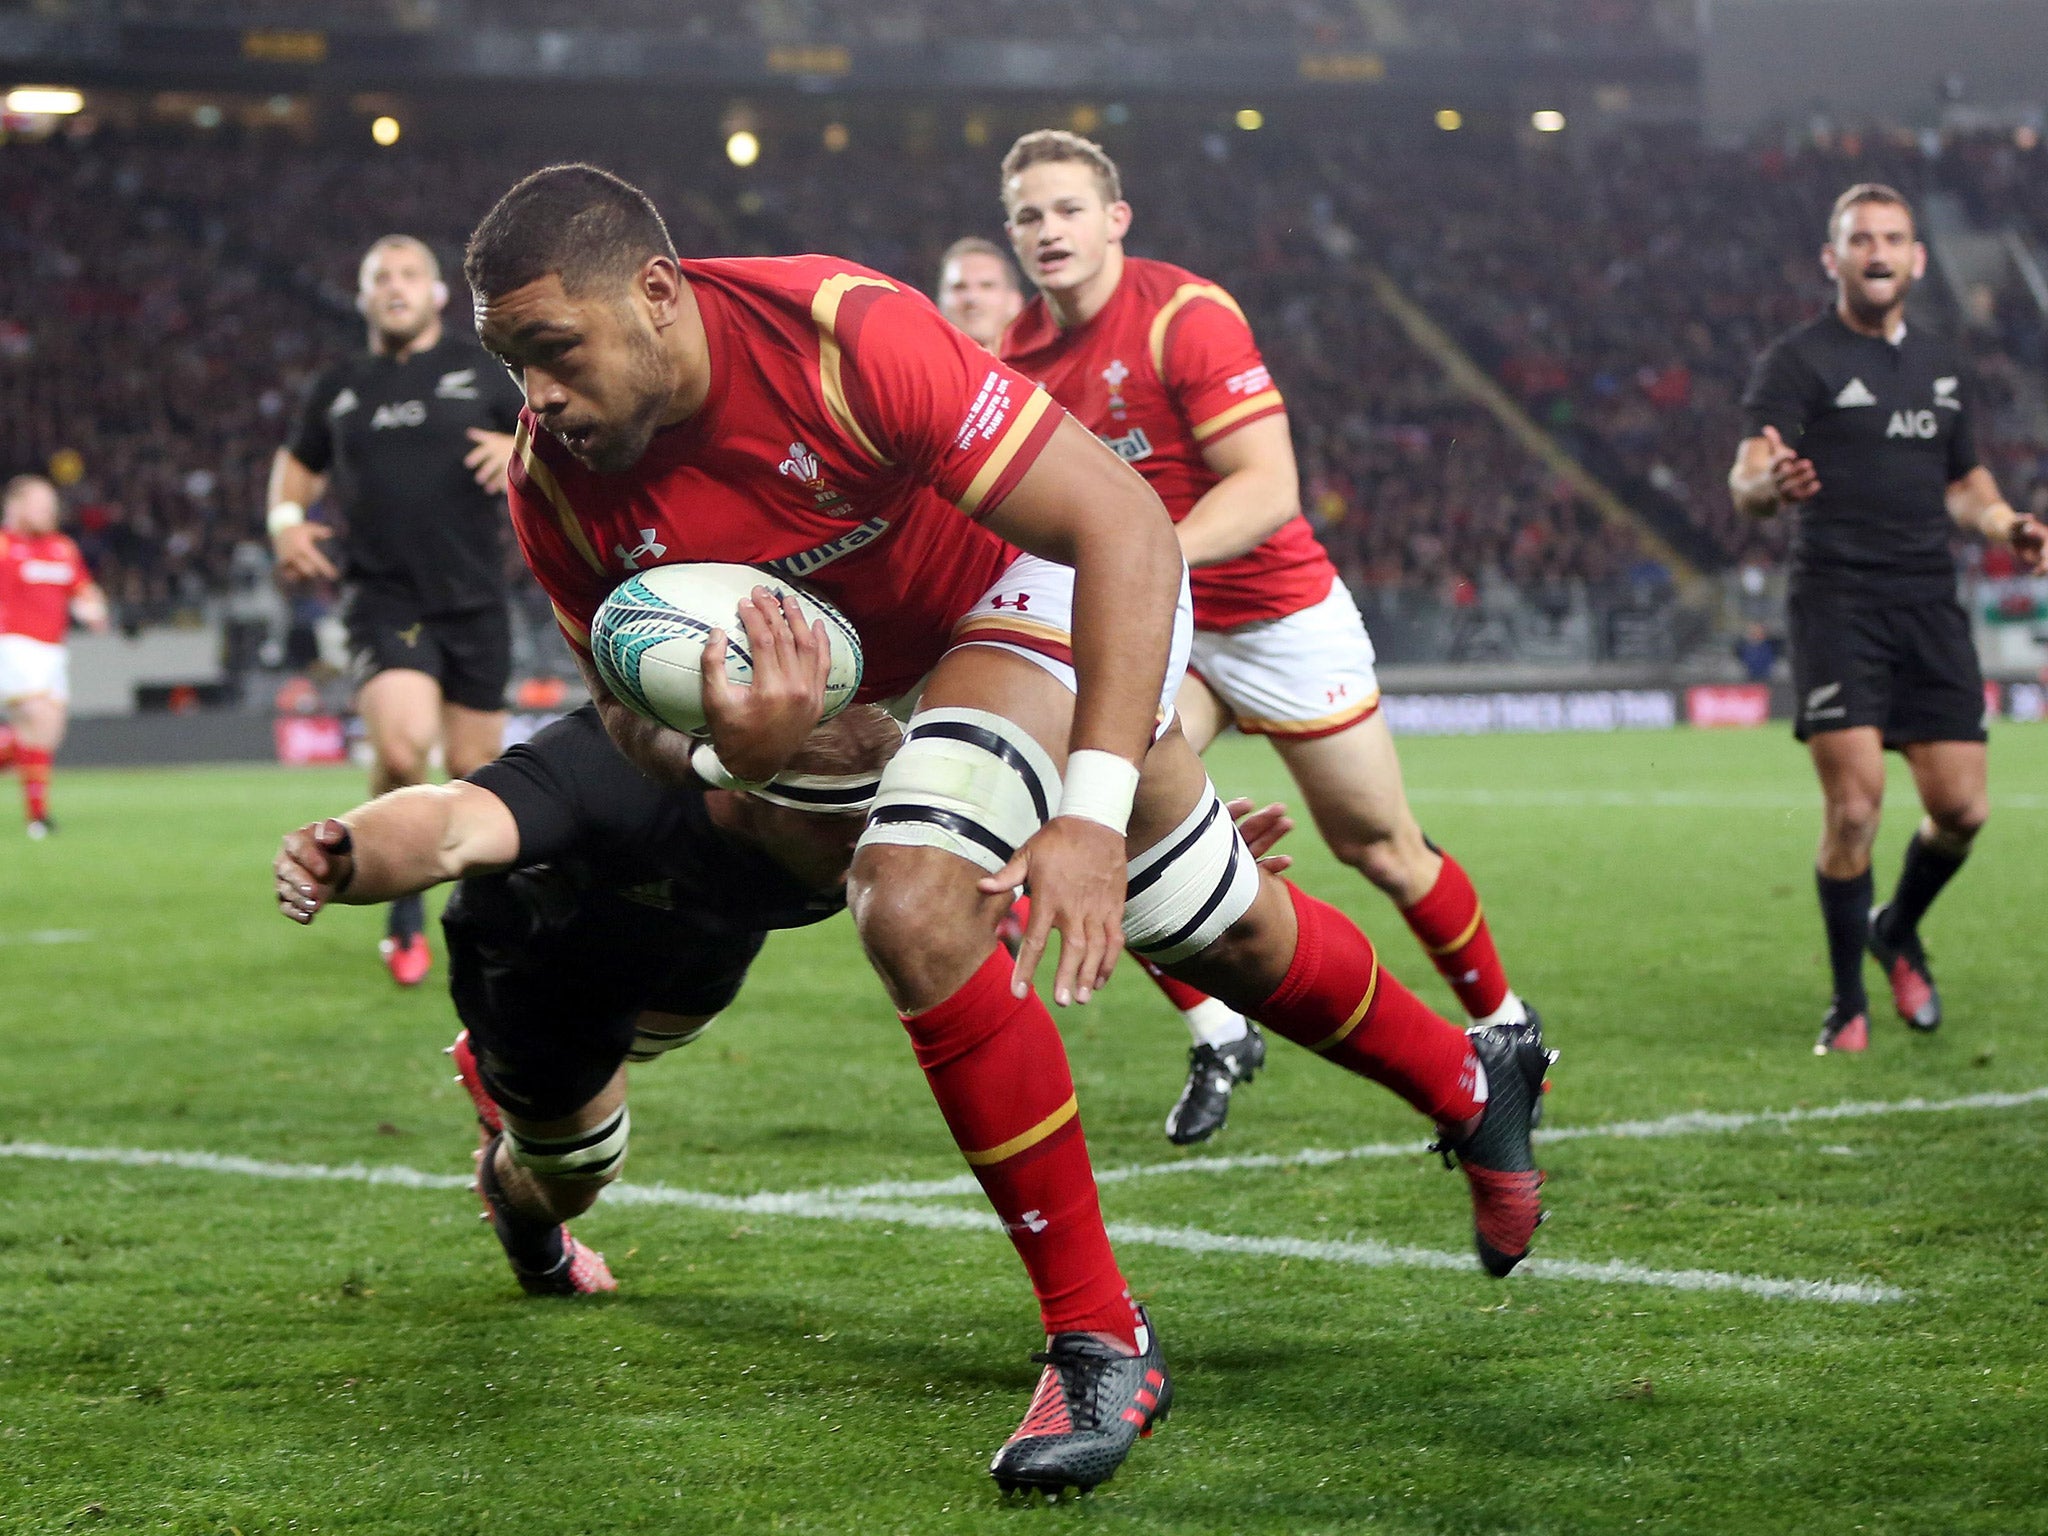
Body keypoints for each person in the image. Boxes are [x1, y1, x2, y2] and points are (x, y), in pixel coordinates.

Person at [462, 163, 1553, 1495]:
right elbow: (622, 713)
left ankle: (1102, 1340)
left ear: (653, 293)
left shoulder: (840, 337)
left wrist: (1086, 815)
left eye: (553, 352)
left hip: (1035, 586)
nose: (539, 399)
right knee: (1218, 922)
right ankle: (1467, 1083)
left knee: (914, 901)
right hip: (898, 683)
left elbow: (1123, 521)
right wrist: (715, 749)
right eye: (513, 366)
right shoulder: (555, 486)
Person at [996, 130, 1538, 1144]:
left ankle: (1506, 1028)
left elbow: (1266, 487)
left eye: (1066, 208)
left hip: (1271, 611)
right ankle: (1216, 1026)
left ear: (1115, 219)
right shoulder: (1016, 358)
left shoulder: (1181, 316)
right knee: (1113, 820)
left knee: (1377, 846)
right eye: (1027, 215)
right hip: (1162, 631)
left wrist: (1137, 563)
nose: (1046, 230)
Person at [274, 695, 903, 1295]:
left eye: (873, 812)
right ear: (749, 793)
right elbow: (451, 825)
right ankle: (521, 1217)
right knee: (580, 1170)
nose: (865, 838)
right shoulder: (616, 773)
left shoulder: (880, 810)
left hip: (700, 932)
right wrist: (347, 854)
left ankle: (504, 1074)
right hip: (545, 955)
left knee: (664, 1031)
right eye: (837, 820)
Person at [1730, 183, 2046, 1055]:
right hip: (1837, 601)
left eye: (1893, 238)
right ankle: (1846, 1005)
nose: (1878, 251)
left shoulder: (1943, 365)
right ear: (1833, 259)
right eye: (1860, 238)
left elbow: (1963, 481)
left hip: (1926, 605)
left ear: (1917, 258)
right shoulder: (1797, 362)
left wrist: (2004, 523)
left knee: (1963, 809)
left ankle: (1896, 928)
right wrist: (1770, 486)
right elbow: (1748, 477)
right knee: (1858, 808)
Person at [267, 234, 524, 986]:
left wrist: (521, 448)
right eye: (381, 276)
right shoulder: (339, 385)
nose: (396, 287)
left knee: (477, 773)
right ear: (362, 296)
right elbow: (297, 469)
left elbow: (558, 433)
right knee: (406, 751)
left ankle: (475, 925)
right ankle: (405, 906)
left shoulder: (483, 372)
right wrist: (286, 525)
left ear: (440, 294)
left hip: (475, 598)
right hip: (382, 595)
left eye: (411, 274)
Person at [0, 474, 109, 838]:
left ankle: (37, 817)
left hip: (53, 652)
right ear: (15, 506)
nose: (50, 511)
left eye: (51, 505)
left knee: (45, 736)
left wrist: (93, 606)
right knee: (35, 715)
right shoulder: (3, 545)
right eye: (41, 504)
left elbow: (82, 588)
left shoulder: (62, 548)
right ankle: (39, 818)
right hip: (13, 645)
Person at [935, 236, 1025, 354]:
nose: (972, 298)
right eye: (960, 287)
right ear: (940, 300)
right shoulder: (916, 370)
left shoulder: (1041, 369)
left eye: (986, 286)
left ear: (1015, 301)